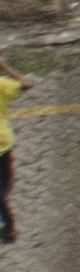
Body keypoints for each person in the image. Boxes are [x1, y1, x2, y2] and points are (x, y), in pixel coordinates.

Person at [0, 53, 21, 243]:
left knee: (3, 191)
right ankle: (10, 227)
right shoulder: (2, 85)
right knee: (5, 187)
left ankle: (10, 226)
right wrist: (5, 68)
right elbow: (25, 85)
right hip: (4, 144)